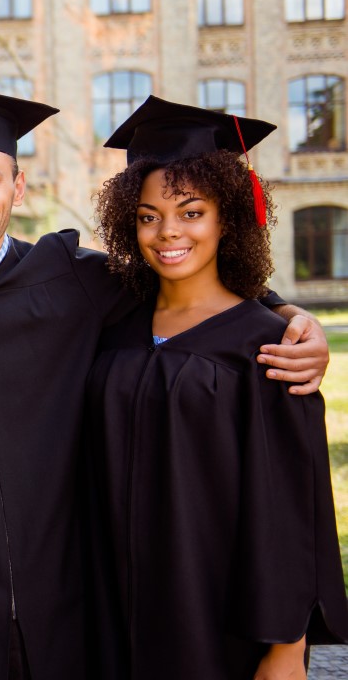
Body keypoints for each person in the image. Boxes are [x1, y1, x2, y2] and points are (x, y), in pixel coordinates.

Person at [0, 82, 330, 680]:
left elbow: (192, 283)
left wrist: (287, 314)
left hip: (72, 595)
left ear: (18, 186)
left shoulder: (76, 279)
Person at [86, 97, 348, 679]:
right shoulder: (112, 323)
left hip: (217, 617)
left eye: (191, 212)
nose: (168, 232)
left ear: (227, 215)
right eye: (149, 215)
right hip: (115, 611)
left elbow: (291, 509)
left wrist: (284, 649)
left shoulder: (266, 344)